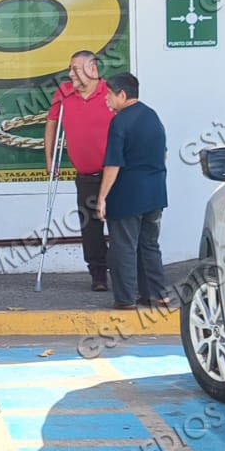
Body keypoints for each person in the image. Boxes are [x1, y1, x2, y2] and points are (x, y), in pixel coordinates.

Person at [96, 73, 170, 310]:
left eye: (109, 94)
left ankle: (125, 298)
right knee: (149, 245)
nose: (106, 99)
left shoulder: (120, 122)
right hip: (155, 193)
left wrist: (102, 197)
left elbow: (113, 164)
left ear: (122, 95)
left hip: (127, 195)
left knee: (124, 247)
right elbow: (164, 153)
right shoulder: (152, 116)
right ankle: (156, 294)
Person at [46, 50, 115, 292]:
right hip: (86, 175)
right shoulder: (64, 92)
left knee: (119, 225)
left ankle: (122, 271)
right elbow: (52, 124)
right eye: (70, 68)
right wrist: (50, 159)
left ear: (93, 70)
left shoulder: (110, 92)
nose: (70, 74)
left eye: (75, 69)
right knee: (90, 228)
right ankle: (98, 274)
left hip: (115, 174)